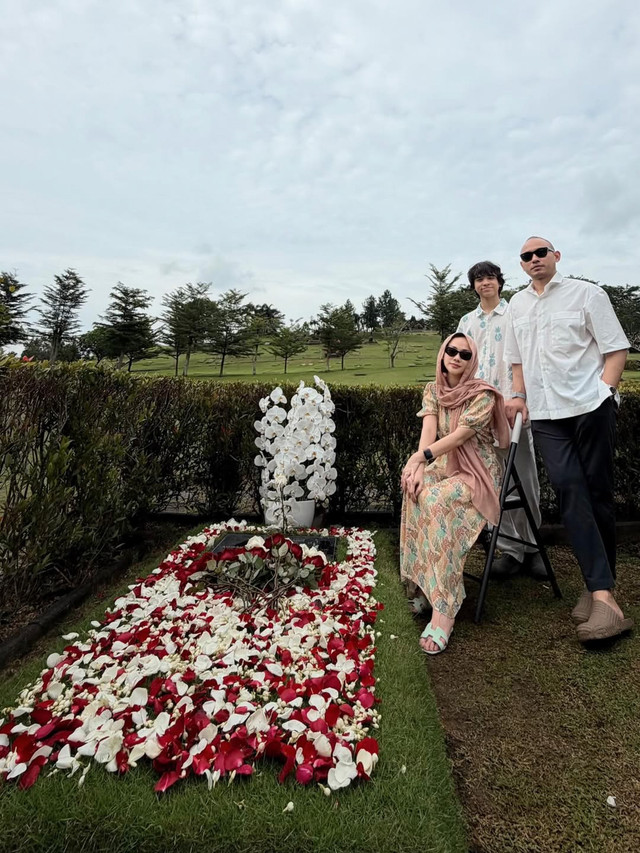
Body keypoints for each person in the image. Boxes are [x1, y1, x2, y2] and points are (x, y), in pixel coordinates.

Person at [504, 236, 633, 642]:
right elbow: (517, 361)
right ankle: (602, 592)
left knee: (597, 495)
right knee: (569, 489)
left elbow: (616, 350)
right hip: (545, 415)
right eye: (526, 256)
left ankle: (598, 591)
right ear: (521, 264)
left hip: (589, 407)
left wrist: (603, 393)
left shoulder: (587, 294)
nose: (534, 259)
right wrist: (519, 397)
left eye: (541, 252)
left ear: (556, 256)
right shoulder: (516, 306)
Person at [400, 332, 510, 654]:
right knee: (412, 486)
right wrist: (417, 467)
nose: (457, 358)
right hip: (443, 464)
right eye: (452, 351)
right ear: (443, 353)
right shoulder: (433, 390)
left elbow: (461, 437)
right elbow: (429, 433)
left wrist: (422, 458)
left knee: (435, 500)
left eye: (464, 354)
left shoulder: (482, 394)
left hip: (477, 472)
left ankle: (444, 609)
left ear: (471, 360)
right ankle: (425, 587)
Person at [457, 261, 545, 578]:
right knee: (495, 483)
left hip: (512, 408)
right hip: (480, 413)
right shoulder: (466, 322)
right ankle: (510, 550)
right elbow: (460, 366)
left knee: (524, 479)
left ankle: (534, 548)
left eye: (490, 277)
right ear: (474, 286)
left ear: (499, 282)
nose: (485, 283)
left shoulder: (515, 314)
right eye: (479, 279)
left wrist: (520, 397)